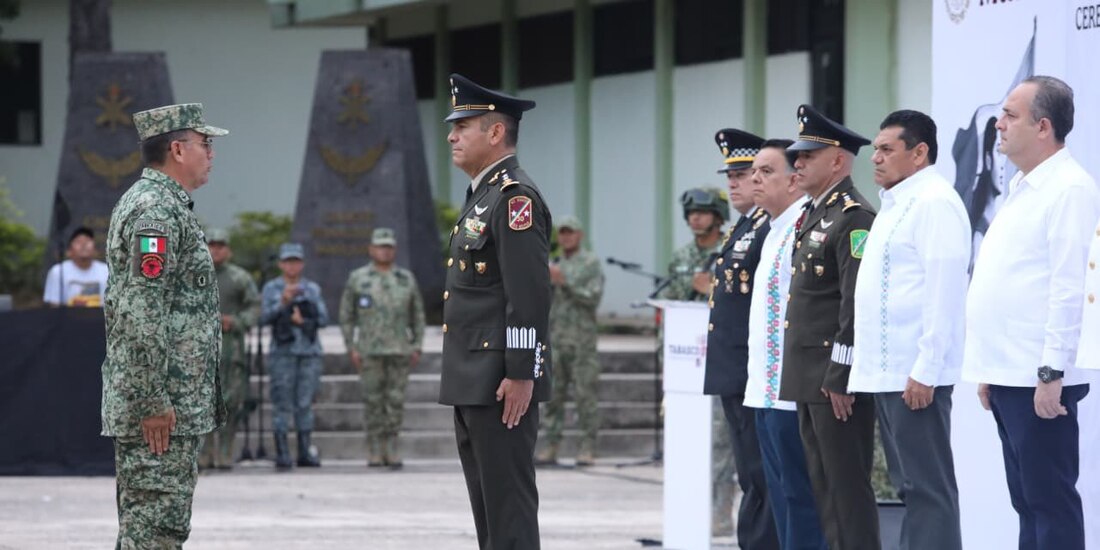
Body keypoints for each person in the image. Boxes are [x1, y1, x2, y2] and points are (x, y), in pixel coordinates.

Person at [963, 75, 1100, 550]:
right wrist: (989, 369)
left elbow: (1071, 288)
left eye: (1010, 115)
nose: (998, 124)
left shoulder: (1069, 189)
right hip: (1011, 372)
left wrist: (1050, 370)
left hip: (1041, 376)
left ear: (1043, 127)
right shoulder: (1023, 187)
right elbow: (1013, 283)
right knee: (1027, 501)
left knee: (1049, 501)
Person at [100, 103, 227, 547]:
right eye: (205, 143)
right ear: (177, 149)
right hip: (160, 411)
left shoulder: (167, 206)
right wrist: (153, 399)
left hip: (172, 407)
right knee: (155, 531)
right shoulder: (155, 210)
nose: (211, 153)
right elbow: (142, 308)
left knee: (153, 529)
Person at [438, 73, 552, 549]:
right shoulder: (483, 197)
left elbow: (529, 294)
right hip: (475, 376)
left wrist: (522, 373)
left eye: (463, 126)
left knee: (508, 508)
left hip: (501, 381)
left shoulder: (513, 198)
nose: (451, 135)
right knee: (488, 508)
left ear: (495, 132)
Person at [849, 110, 968, 550]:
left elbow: (945, 290)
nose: (875, 158)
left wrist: (927, 367)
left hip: (914, 375)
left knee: (927, 489)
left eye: (886, 150)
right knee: (909, 487)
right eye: (874, 150)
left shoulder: (934, 201)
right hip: (887, 372)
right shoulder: (897, 203)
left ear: (919, 153)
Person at [779, 104, 880, 550]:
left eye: (807, 156)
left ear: (837, 160)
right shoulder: (815, 213)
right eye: (796, 156)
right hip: (808, 375)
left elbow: (854, 305)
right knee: (824, 490)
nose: (796, 163)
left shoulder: (853, 216)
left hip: (832, 380)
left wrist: (841, 375)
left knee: (847, 491)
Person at [744, 138, 827, 550]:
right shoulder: (773, 230)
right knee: (780, 500)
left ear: (794, 181)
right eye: (753, 172)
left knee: (802, 500)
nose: (754, 179)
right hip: (764, 391)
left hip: (791, 395)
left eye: (766, 171)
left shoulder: (805, 229)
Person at [702, 129, 780, 550]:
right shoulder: (745, 227)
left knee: (761, 477)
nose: (733, 183)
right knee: (750, 476)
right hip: (735, 370)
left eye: (744, 174)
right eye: (729, 176)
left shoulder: (769, 228)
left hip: (753, 370)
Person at [659, 185, 740, 536]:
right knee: (688, 443)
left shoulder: (733, 249)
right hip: (685, 362)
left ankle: (720, 516)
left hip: (722, 358)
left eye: (703, 212)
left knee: (722, 444)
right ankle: (690, 513)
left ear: (719, 217)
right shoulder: (680, 257)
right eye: (691, 212)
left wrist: (712, 289)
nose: (696, 217)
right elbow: (671, 306)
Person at [339, 227, 426, 469]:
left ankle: (393, 447)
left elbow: (418, 315)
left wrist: (417, 345)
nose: (384, 251)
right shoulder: (358, 278)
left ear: (394, 250)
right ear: (371, 249)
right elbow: (346, 315)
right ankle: (375, 448)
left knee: (395, 401)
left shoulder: (405, 279)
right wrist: (351, 347)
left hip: (399, 350)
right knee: (372, 401)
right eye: (380, 246)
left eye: (388, 247)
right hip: (369, 350)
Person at [535, 215, 604, 467]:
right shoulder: (553, 262)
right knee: (553, 395)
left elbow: (592, 297)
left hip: (582, 341)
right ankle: (551, 445)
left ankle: (588, 447)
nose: (565, 237)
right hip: (556, 339)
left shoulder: (590, 263)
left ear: (579, 235)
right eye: (562, 233)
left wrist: (565, 281)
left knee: (585, 395)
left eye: (570, 233)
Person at [261, 242, 329, 470]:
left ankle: (304, 451)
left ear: (302, 264)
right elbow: (263, 318)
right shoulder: (272, 288)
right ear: (281, 264)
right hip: (283, 353)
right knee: (282, 403)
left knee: (305, 403)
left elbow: (323, 319)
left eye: (296, 261)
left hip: (309, 353)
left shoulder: (312, 288)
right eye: (288, 261)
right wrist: (283, 303)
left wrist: (304, 320)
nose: (292, 266)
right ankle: (282, 452)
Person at [198, 228, 260, 471]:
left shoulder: (240, 278)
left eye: (221, 245)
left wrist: (235, 321)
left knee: (230, 401)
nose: (216, 250)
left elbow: (254, 306)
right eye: (212, 245)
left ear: (229, 250)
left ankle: (225, 452)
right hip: (199, 350)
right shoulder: (193, 274)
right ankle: (203, 454)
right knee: (201, 401)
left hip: (231, 349)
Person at [43, 226, 109, 307]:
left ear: (95, 250)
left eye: (88, 241)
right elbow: (54, 306)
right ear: (68, 251)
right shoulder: (58, 271)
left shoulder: (107, 271)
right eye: (78, 241)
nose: (84, 244)